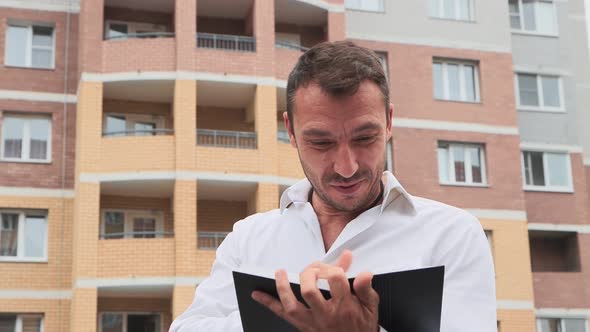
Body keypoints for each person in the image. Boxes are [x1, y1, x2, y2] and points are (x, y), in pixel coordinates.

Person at [170, 41, 496, 332]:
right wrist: (295, 317)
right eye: (321, 142)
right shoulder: (248, 238)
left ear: (389, 123)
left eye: (365, 138)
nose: (347, 166)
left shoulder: (452, 235)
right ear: (291, 132)